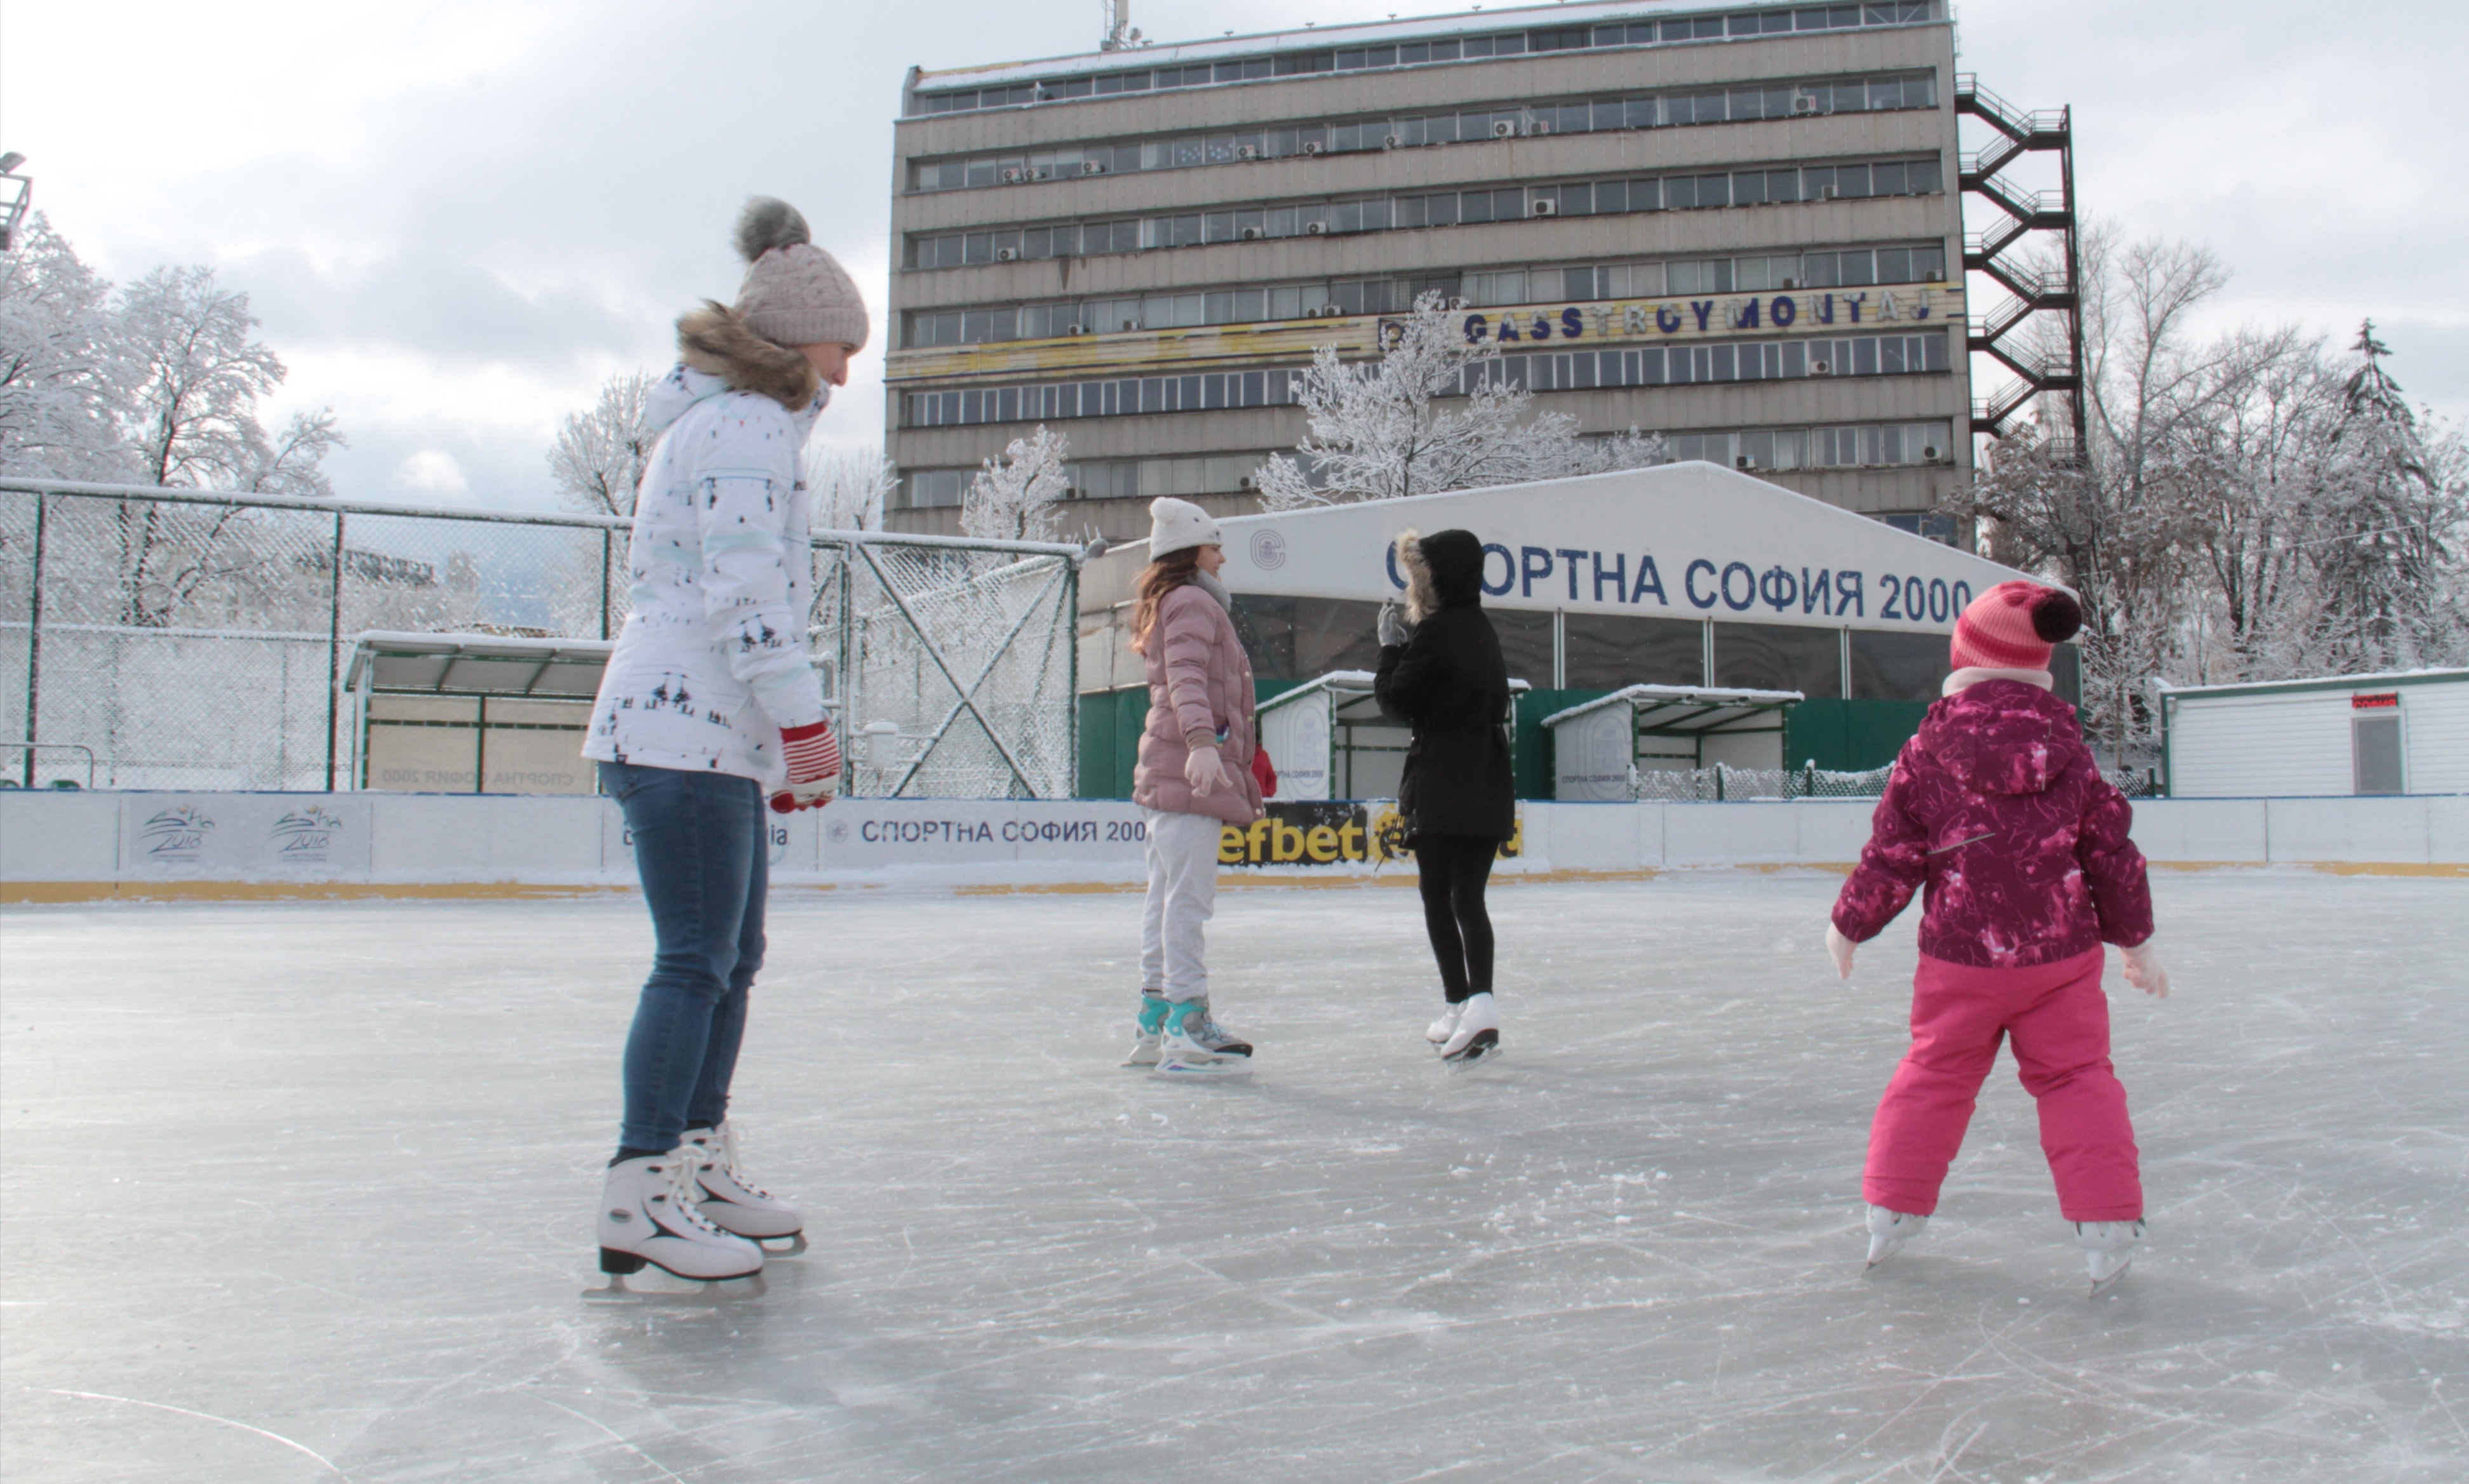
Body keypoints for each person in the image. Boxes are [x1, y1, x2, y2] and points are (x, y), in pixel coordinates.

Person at [582, 197, 866, 1283]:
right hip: (679, 730)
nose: (847, 372)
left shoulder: (741, 423)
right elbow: (746, 594)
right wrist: (802, 728)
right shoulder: (745, 425)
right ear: (795, 340)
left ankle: (693, 1161)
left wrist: (773, 746)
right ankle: (639, 1188)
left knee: (728, 961)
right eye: (841, 346)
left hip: (705, 734)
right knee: (695, 961)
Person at [1826, 580, 2168, 1294]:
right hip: (2060, 958)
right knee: (2076, 1077)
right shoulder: (2071, 753)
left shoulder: (1925, 750)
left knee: (1935, 1074)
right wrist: (2135, 944)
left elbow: (1893, 853)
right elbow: (2111, 855)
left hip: (1959, 959)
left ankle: (1891, 1209)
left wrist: (1850, 922)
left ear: (1965, 657)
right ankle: (2107, 1224)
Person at [1121, 497, 1265, 1077]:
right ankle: (1188, 1021)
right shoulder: (1193, 602)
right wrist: (1204, 743)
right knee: (1187, 899)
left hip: (1170, 770)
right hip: (1187, 772)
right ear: (1189, 552)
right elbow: (1185, 678)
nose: (1222, 558)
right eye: (1214, 547)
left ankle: (1156, 1016)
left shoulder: (1175, 601)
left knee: (1166, 896)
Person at [1374, 529, 1515, 1064]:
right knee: (1467, 897)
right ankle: (1469, 1005)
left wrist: (1391, 650)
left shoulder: (1437, 632)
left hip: (1443, 779)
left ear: (1440, 577)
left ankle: (1469, 1003)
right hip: (1487, 777)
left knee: (1438, 894)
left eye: (1422, 575)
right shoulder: (1483, 630)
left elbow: (1397, 701)